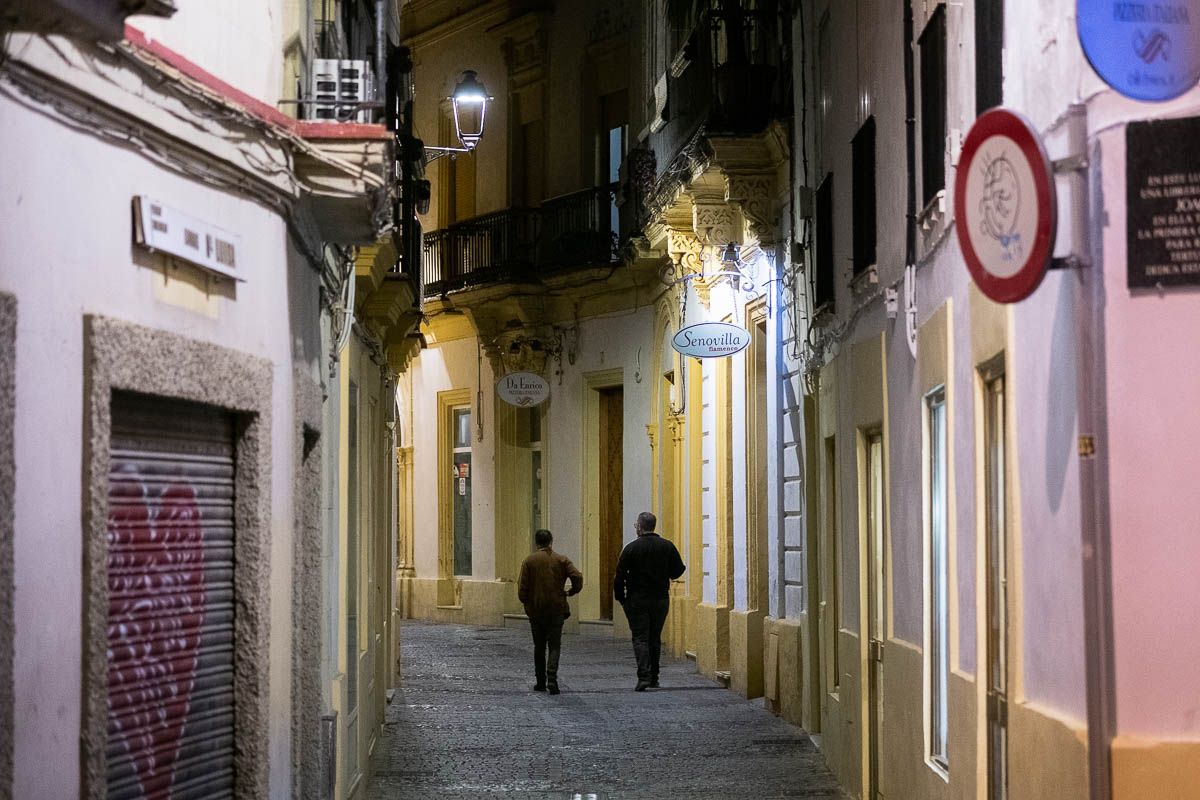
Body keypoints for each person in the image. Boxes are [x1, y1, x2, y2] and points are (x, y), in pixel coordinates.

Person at [613, 511, 686, 691]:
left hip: (637, 599)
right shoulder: (667, 546)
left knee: (640, 637)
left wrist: (621, 598)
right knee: (654, 637)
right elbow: (678, 570)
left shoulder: (631, 548)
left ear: (639, 526)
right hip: (660, 599)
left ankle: (643, 676)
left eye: (636, 525)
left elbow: (619, 576)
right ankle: (654, 677)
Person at [517, 529, 583, 695]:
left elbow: (522, 589)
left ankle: (540, 681)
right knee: (555, 645)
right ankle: (552, 678)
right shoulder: (561, 559)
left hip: (536, 610)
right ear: (551, 542)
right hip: (556, 609)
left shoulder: (529, 561)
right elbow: (577, 576)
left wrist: (527, 602)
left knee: (539, 646)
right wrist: (572, 591)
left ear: (536, 543)